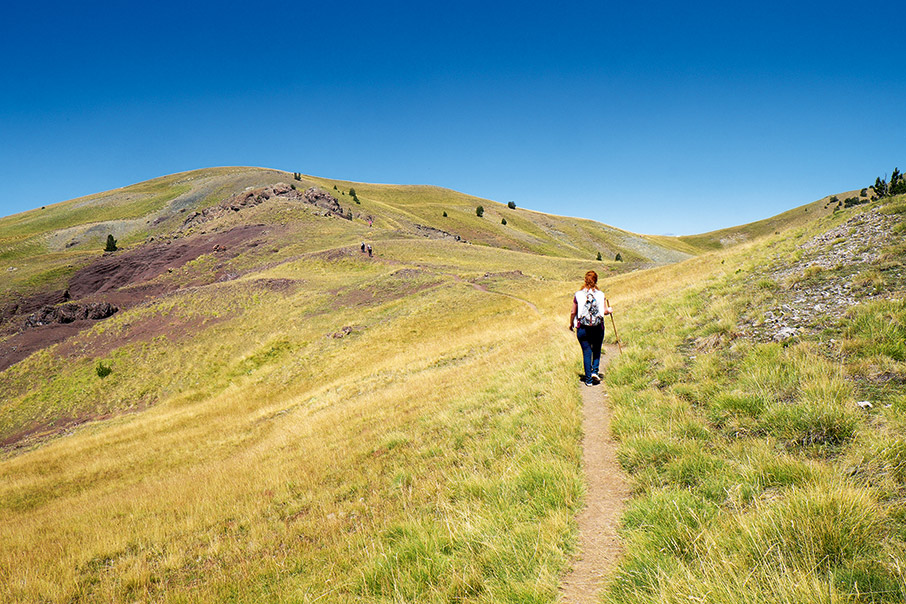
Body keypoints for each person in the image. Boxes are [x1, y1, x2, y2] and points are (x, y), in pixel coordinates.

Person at [569, 270, 611, 386]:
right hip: (598, 327)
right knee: (597, 349)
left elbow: (573, 312)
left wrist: (571, 323)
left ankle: (588, 380)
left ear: (585, 280)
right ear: (596, 280)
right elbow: (604, 311)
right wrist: (609, 310)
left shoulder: (578, 294)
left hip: (582, 327)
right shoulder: (601, 294)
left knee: (586, 351)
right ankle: (595, 372)